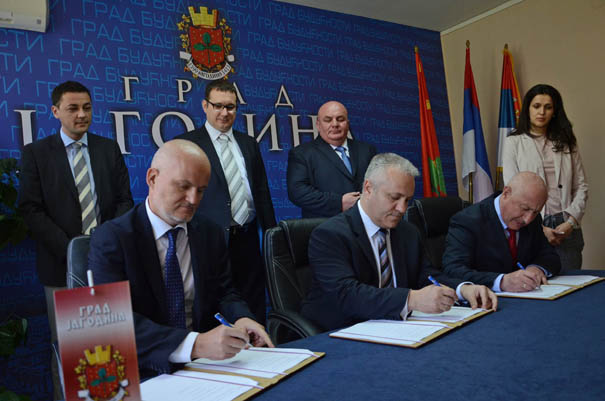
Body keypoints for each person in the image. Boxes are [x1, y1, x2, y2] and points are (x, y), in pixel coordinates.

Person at [88, 140, 273, 379]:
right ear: (152, 178)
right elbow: (111, 322)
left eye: (201, 190)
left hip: (207, 366)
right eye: (183, 186)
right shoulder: (112, 238)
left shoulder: (209, 232)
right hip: (140, 368)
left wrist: (242, 317)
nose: (193, 199)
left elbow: (224, 291)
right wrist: (194, 344)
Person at [18, 81, 133, 399]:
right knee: (69, 352)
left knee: (112, 347)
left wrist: (104, 244)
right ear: (55, 111)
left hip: (108, 265)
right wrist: (73, 251)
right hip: (60, 268)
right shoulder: (36, 154)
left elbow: (125, 200)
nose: (81, 114)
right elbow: (30, 208)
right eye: (73, 108)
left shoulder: (108, 149)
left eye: (87, 108)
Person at [301, 153, 497, 331]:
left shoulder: (407, 231)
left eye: (407, 200)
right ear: (368, 188)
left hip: (396, 328)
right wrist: (411, 299)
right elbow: (347, 295)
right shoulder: (330, 235)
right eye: (394, 198)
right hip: (342, 331)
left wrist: (463, 289)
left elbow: (427, 277)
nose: (402, 209)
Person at [176, 80, 276, 324]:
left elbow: (261, 192)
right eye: (218, 106)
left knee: (253, 303)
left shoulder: (249, 143)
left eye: (230, 107)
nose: (224, 112)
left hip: (247, 237)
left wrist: (271, 234)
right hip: (208, 239)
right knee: (214, 303)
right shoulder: (188, 144)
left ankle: (258, 345)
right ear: (205, 106)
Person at [502, 84, 588, 271]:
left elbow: (581, 186)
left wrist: (571, 222)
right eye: (536, 106)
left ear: (555, 111)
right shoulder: (513, 142)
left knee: (570, 283)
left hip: (566, 225)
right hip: (531, 224)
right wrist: (540, 229)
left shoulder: (566, 142)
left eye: (548, 107)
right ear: (528, 109)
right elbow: (512, 190)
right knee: (533, 283)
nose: (542, 112)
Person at [443, 172, 561, 292]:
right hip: (487, 298)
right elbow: (453, 269)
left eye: (535, 212)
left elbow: (550, 256)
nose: (528, 219)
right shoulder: (468, 220)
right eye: (524, 208)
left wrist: (536, 268)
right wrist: (501, 281)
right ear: (506, 193)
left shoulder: (532, 218)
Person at [287, 101, 377, 218]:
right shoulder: (302, 153)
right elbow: (297, 192)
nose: (335, 124)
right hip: (325, 225)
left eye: (340, 119)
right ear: (318, 125)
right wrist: (339, 203)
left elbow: (379, 185)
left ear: (347, 123)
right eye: (328, 120)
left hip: (366, 223)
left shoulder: (367, 150)